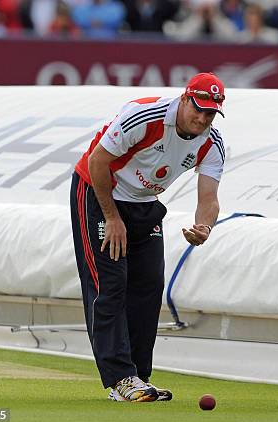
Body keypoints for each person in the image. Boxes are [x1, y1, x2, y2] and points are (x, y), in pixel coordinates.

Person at [69, 72, 225, 402]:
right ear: (184, 99)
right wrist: (111, 217)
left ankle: (139, 376)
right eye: (197, 108)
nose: (202, 118)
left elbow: (209, 199)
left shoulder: (212, 144)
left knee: (150, 285)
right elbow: (97, 161)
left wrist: (204, 226)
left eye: (210, 113)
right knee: (109, 284)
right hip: (100, 193)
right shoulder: (144, 116)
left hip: (143, 204)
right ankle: (119, 378)